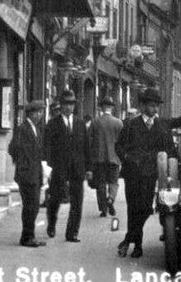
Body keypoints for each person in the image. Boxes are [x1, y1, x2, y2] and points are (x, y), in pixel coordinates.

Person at [114, 88, 181, 258]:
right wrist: (127, 158)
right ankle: (138, 246)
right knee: (133, 209)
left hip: (151, 175)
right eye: (151, 106)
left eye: (157, 106)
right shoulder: (130, 125)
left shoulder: (162, 124)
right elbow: (119, 147)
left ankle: (128, 239)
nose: (155, 109)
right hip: (133, 174)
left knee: (145, 209)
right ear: (143, 106)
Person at [44, 89, 89, 242]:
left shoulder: (80, 124)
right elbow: (47, 148)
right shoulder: (52, 124)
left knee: (77, 201)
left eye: (71, 104)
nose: (69, 107)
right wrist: (48, 169)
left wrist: (88, 168)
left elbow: (86, 147)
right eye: (66, 104)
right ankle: (51, 223)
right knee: (55, 198)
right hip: (58, 168)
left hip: (77, 168)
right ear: (61, 105)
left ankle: (72, 233)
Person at [8, 100, 47, 247]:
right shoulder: (23, 128)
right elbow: (13, 148)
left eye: (41, 112)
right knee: (31, 206)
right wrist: (23, 165)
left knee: (33, 206)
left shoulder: (34, 128)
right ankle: (27, 237)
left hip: (34, 173)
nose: (40, 115)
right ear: (31, 113)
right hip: (27, 174)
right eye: (38, 112)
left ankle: (30, 236)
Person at [87, 95, 124, 220]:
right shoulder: (119, 123)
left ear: (102, 108)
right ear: (111, 108)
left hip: (99, 159)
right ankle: (110, 199)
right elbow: (123, 141)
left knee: (101, 184)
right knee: (114, 182)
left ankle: (103, 209)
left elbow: (90, 141)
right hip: (114, 158)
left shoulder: (95, 122)